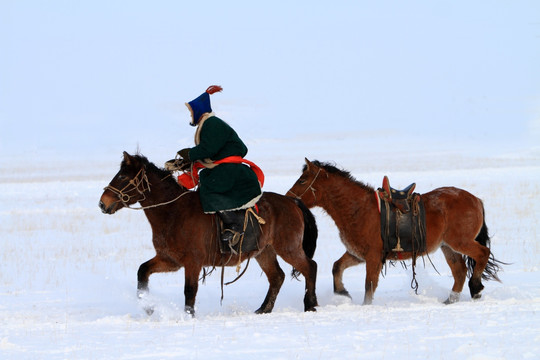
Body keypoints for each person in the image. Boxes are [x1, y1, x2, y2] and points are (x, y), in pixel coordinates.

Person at [170, 85, 263, 245]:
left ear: (199, 111)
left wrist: (189, 155)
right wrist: (186, 161)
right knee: (206, 178)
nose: (191, 114)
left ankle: (233, 225)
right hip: (224, 168)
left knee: (208, 187)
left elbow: (209, 148)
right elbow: (210, 151)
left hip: (229, 169)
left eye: (192, 111)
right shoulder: (208, 124)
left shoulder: (212, 124)